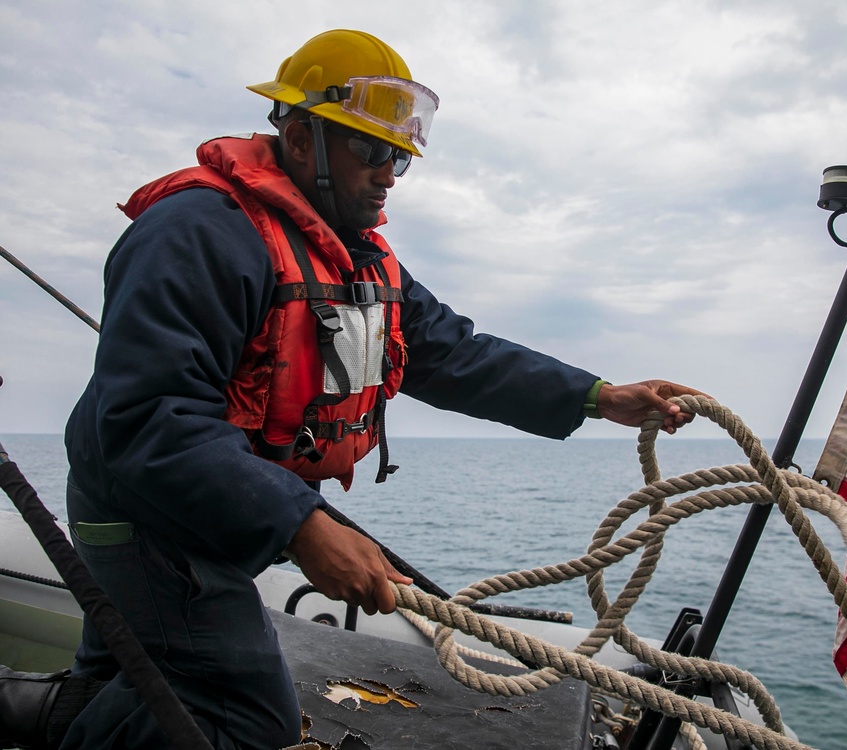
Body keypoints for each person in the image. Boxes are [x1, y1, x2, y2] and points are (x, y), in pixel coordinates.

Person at [0, 29, 704, 750]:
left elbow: (453, 353)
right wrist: (300, 524)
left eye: (398, 155)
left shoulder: (357, 259)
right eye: (370, 150)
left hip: (217, 510)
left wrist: (598, 397)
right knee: (238, 719)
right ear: (301, 137)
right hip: (149, 516)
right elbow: (148, 420)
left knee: (131, 670)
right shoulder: (197, 233)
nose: (390, 174)